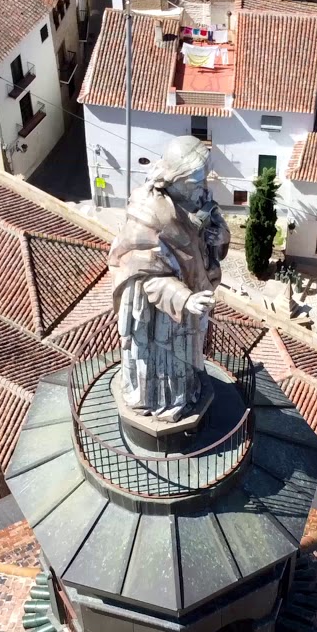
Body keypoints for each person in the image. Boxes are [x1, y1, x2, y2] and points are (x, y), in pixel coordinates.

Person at [107, 136, 230, 422]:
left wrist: (219, 236)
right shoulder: (148, 215)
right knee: (164, 359)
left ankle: (185, 392)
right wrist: (185, 298)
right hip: (158, 313)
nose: (202, 186)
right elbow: (146, 276)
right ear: (174, 178)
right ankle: (162, 404)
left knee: (183, 356)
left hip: (188, 302)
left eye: (203, 178)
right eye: (195, 180)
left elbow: (212, 230)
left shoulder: (193, 196)